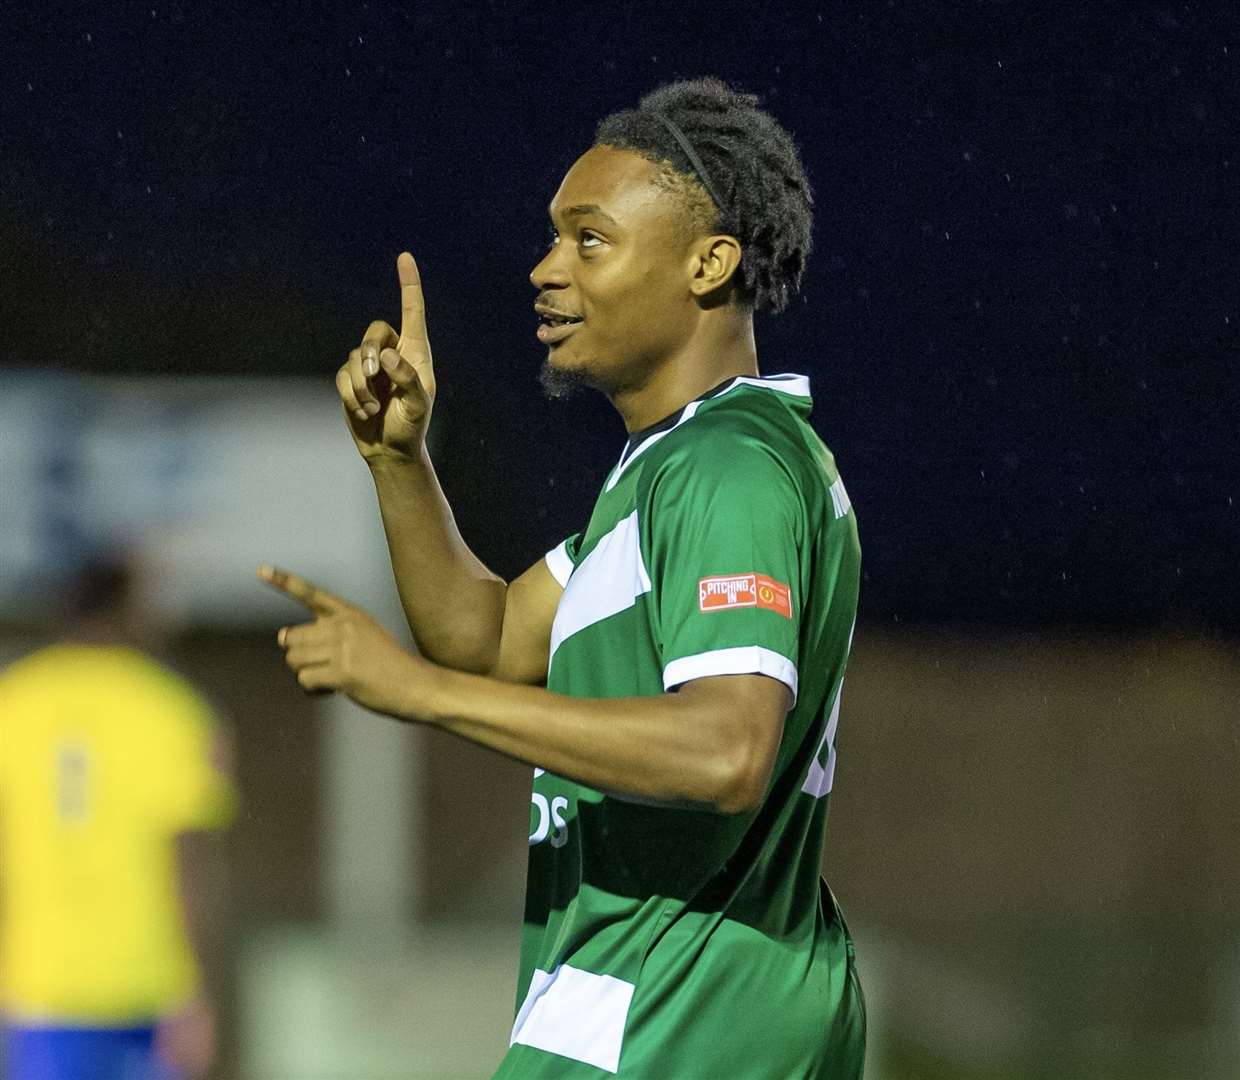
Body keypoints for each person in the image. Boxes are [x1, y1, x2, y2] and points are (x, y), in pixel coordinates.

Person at [261, 77, 864, 1077]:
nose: (545, 269)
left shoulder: (730, 469)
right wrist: (399, 463)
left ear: (708, 263)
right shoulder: (666, 471)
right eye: (552, 238)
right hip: (643, 1008)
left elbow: (725, 749)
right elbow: (489, 639)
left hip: (678, 1020)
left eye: (589, 239)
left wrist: (417, 695)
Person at [0, 555, 236, 1080]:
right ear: (133, 611)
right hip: (148, 986)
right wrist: (201, 990)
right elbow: (191, 865)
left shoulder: (13, 700)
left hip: (40, 983)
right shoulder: (172, 710)